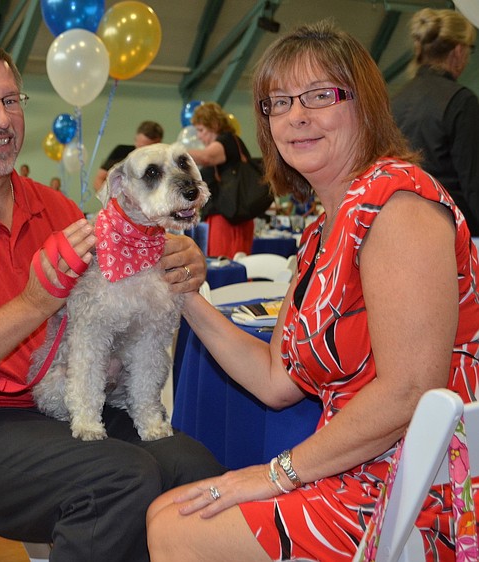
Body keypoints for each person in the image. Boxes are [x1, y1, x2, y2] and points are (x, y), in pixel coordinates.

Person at [0, 43, 225, 562]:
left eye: (11, 100)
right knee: (120, 481)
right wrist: (32, 303)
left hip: (57, 402)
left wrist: (179, 260)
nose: (2, 118)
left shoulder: (58, 209)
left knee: (195, 469)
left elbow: (133, 290)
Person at [147, 20, 479, 562]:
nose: (296, 116)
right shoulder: (320, 230)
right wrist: (187, 296)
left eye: (320, 96)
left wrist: (274, 474)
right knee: (169, 513)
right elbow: (277, 380)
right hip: (360, 472)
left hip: (420, 490)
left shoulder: (397, 203)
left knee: (177, 530)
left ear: (365, 105)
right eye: (277, 103)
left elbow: (410, 391)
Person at [391, 8, 479, 235]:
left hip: (405, 229)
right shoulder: (461, 102)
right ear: (459, 51)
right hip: (456, 233)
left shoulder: (395, 101)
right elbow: (474, 184)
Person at [187, 102, 256, 257]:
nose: (199, 136)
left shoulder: (227, 140)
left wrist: (174, 152)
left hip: (228, 221)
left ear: (214, 125)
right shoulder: (230, 142)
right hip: (228, 217)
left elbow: (206, 157)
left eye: (201, 130)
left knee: (224, 265)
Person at [93, 120, 163, 191]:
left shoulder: (163, 161)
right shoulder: (121, 152)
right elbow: (99, 180)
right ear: (135, 139)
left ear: (159, 144)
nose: (142, 152)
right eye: (141, 147)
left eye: (148, 148)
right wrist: (109, 201)